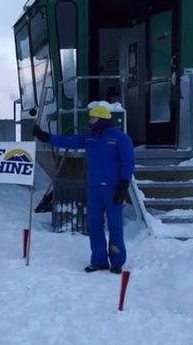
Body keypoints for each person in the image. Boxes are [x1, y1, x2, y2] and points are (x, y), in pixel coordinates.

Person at [31, 105, 135, 274]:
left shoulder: (120, 138)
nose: (90, 121)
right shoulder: (89, 138)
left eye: (93, 118)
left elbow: (128, 162)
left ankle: (117, 261)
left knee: (115, 226)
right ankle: (99, 260)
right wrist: (45, 137)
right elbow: (67, 141)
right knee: (94, 225)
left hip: (113, 189)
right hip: (93, 189)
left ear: (101, 119)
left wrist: (123, 185)